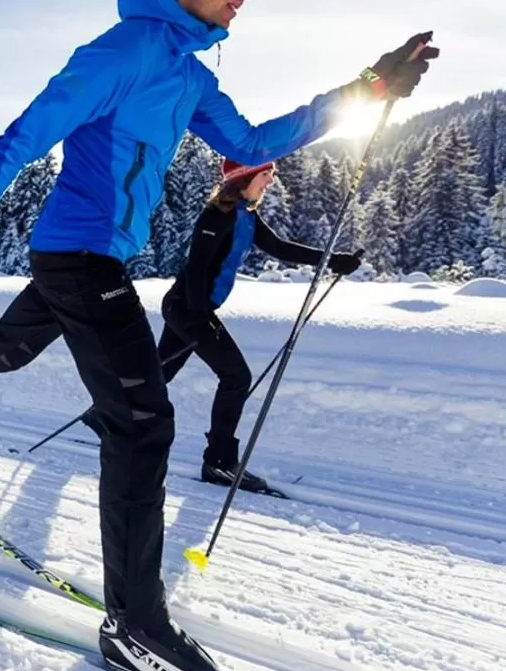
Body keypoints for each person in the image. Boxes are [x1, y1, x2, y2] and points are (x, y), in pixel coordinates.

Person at [0, 0, 437, 671]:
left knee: (8, 346)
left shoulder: (191, 75)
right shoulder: (123, 51)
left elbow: (254, 143)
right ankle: (134, 627)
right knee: (143, 422)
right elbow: (20, 138)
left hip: (91, 257)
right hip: (78, 254)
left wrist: (367, 88)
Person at [154, 158, 362, 496]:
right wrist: (199, 314)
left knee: (160, 371)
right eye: (266, 174)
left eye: (272, 174)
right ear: (244, 178)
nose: (271, 181)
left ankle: (108, 414)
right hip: (187, 308)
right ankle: (219, 462)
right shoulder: (216, 216)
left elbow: (279, 247)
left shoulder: (246, 215)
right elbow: (196, 267)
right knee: (236, 377)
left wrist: (332, 259)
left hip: (193, 309)